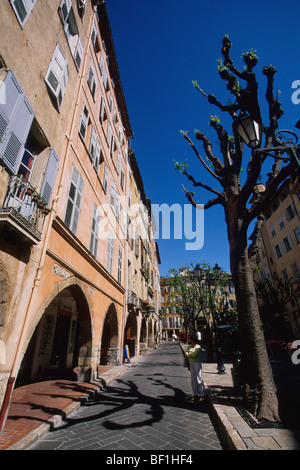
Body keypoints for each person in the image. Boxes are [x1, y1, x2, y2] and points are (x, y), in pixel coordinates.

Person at [185, 334, 206, 402]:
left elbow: (194, 355)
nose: (190, 341)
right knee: (193, 379)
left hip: (197, 363)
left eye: (191, 339)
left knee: (199, 378)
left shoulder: (198, 347)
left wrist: (189, 354)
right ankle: (195, 394)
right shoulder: (189, 346)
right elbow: (186, 353)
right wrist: (190, 354)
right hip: (191, 363)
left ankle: (202, 394)